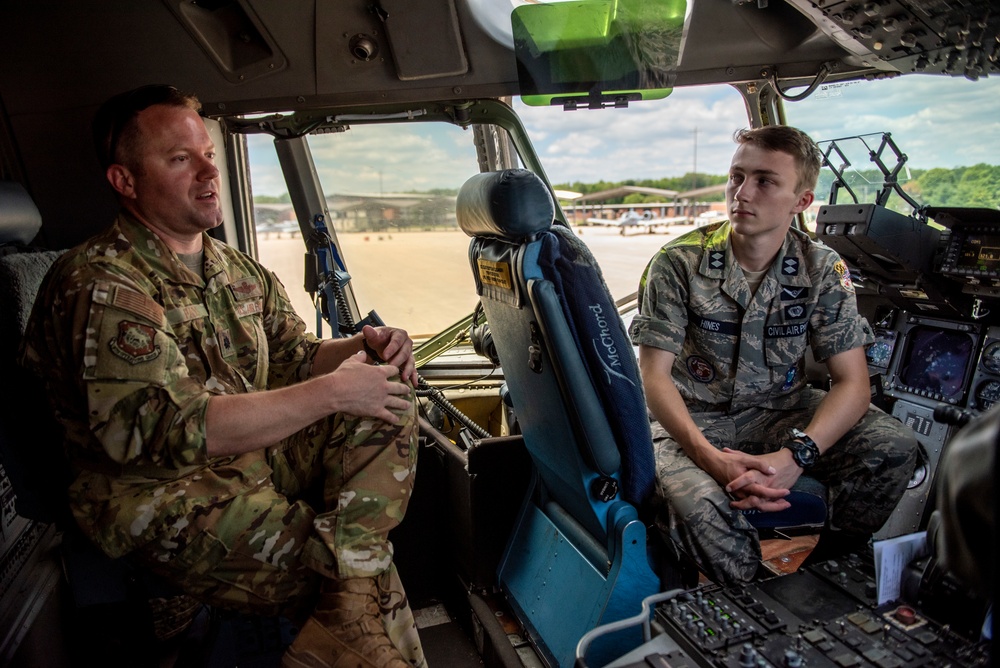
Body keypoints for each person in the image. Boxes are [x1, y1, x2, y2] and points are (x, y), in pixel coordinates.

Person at [19, 84, 424, 668]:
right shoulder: (101, 284)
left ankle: (349, 600)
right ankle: (354, 601)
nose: (209, 171)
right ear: (124, 181)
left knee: (390, 397)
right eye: (180, 159)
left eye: (207, 153)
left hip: (249, 460)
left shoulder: (233, 267)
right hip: (155, 495)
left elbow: (295, 356)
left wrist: (366, 348)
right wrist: (333, 391)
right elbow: (164, 434)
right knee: (353, 571)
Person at [629, 125, 918, 584]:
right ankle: (745, 606)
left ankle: (826, 579)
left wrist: (797, 456)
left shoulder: (821, 267)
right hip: (687, 418)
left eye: (765, 181)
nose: (742, 193)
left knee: (894, 447)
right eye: (736, 176)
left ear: (801, 201)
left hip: (779, 413)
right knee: (700, 506)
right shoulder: (678, 262)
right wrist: (709, 459)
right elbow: (654, 378)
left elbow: (852, 383)